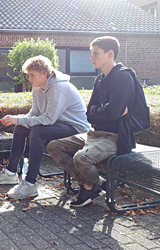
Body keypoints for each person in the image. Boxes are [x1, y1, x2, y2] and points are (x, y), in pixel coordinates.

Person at [47, 36, 136, 207]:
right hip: (93, 135)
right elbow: (89, 114)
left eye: (96, 53)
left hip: (115, 137)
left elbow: (112, 112)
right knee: (53, 146)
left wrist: (105, 111)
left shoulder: (123, 77)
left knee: (81, 159)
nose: (91, 58)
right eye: (92, 53)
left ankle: (94, 186)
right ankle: (93, 185)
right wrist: (106, 110)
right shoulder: (100, 79)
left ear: (110, 53)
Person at [0, 55, 90, 199]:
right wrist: (18, 120)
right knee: (21, 128)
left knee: (37, 131)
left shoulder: (58, 87)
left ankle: (30, 184)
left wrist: (18, 119)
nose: (29, 79)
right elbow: (34, 114)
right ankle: (11, 173)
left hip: (76, 129)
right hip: (58, 125)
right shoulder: (37, 87)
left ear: (44, 74)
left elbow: (48, 119)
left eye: (32, 75)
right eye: (28, 75)